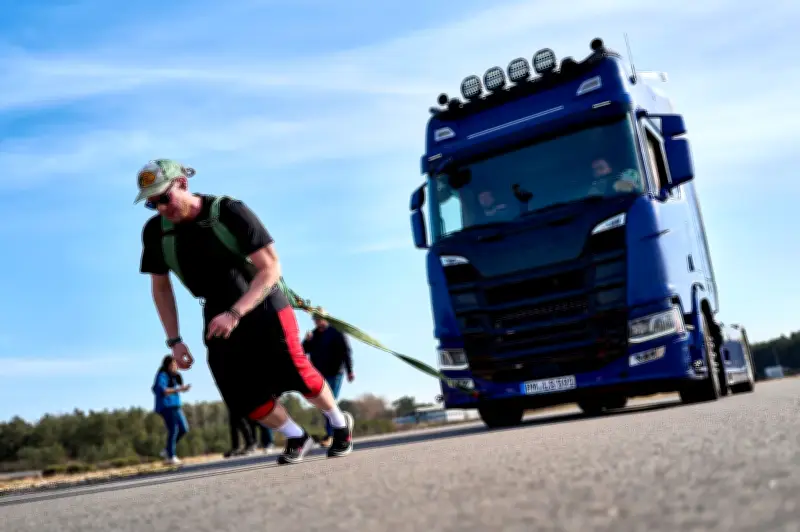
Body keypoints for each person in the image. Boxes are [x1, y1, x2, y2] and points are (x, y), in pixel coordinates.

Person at [136, 158, 354, 465]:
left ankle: (339, 423)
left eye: (164, 198)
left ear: (182, 185)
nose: (161, 208)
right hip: (216, 311)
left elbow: (271, 268)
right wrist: (175, 341)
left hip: (263, 301)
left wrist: (236, 313)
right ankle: (295, 435)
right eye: (152, 204)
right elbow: (161, 288)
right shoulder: (155, 233)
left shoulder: (228, 211)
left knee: (297, 373)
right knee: (238, 393)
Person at [303, 311, 354, 447]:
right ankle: (339, 428)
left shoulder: (337, 332)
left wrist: (350, 370)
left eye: (320, 318)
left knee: (329, 403)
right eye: (315, 319)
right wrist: (307, 341)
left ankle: (332, 434)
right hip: (319, 375)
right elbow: (303, 351)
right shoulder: (313, 335)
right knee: (324, 404)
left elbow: (346, 351)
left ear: (326, 318)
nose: (318, 321)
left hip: (335, 372)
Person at [152, 355, 191, 465]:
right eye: (174, 364)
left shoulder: (173, 376)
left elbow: (176, 387)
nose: (176, 366)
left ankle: (167, 450)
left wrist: (182, 388)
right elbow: (163, 390)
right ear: (168, 365)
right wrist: (179, 389)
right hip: (167, 406)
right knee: (174, 429)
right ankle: (171, 457)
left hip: (175, 406)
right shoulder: (162, 375)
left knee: (184, 429)